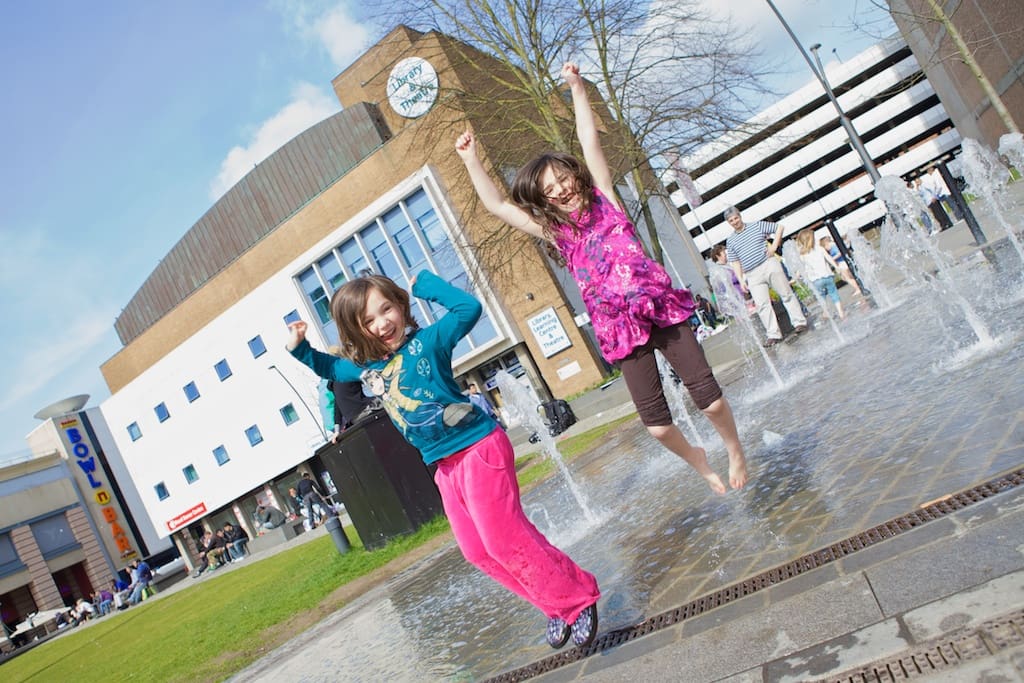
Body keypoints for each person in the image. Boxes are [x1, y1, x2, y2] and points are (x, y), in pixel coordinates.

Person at [456, 62, 747, 495]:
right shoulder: (558, 233)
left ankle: (733, 448)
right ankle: (699, 461)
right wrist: (471, 161)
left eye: (563, 179)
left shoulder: (607, 199)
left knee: (711, 398)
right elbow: (498, 206)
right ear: (542, 199)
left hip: (659, 310)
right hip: (620, 330)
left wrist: (575, 88)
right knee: (658, 428)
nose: (559, 189)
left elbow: (588, 139)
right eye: (548, 188)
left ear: (576, 177)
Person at [286, 269, 601, 649]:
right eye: (368, 320)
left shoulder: (428, 342)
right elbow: (330, 368)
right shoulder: (369, 367)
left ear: (401, 305)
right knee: (478, 550)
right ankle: (555, 602)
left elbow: (468, 309)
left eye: (387, 309)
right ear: (356, 332)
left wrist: (427, 286)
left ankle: (576, 601)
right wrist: (300, 348)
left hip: (478, 448)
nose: (383, 322)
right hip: (445, 467)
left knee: (505, 540)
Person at [722, 206, 808, 347]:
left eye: (736, 218)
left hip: (768, 264)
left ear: (740, 216)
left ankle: (799, 322)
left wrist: (774, 246)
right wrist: (741, 279)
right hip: (751, 274)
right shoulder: (730, 241)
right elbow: (735, 261)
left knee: (786, 294)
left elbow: (779, 227)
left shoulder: (756, 225)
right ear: (728, 223)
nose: (734, 222)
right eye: (731, 220)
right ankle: (773, 334)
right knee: (762, 305)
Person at [795, 229, 846, 321]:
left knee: (821, 296)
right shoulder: (820, 249)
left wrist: (796, 277)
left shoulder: (802, 254)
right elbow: (829, 258)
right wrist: (837, 267)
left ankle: (826, 312)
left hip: (816, 280)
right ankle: (841, 312)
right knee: (833, 293)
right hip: (827, 276)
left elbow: (800, 269)